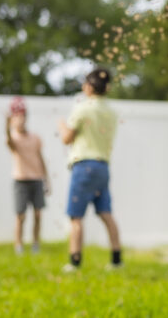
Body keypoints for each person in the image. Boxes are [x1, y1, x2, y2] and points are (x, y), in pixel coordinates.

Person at [57, 67, 122, 272]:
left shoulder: (83, 108)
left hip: (84, 165)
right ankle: (116, 259)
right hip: (103, 165)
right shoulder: (111, 112)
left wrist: (61, 126)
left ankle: (74, 261)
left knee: (76, 217)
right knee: (106, 213)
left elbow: (67, 138)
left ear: (89, 86)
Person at [5, 96, 50, 255]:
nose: (21, 120)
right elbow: (9, 142)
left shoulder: (35, 138)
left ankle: (35, 244)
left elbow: (41, 159)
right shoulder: (14, 138)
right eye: (17, 117)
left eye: (23, 116)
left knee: (38, 214)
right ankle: (19, 245)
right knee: (21, 216)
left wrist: (47, 181)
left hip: (36, 179)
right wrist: (6, 123)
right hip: (20, 181)